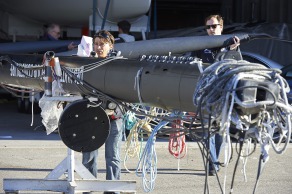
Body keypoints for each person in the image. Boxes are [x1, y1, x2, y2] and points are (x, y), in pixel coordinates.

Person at [185, 14, 240, 176]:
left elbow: (236, 65)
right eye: (208, 27)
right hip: (207, 94)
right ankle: (212, 163)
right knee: (208, 130)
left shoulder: (231, 44)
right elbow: (193, 68)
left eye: (214, 26)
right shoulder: (201, 45)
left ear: (221, 27)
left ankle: (214, 160)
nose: (211, 30)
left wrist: (231, 50)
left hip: (224, 94)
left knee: (221, 131)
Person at [82, 30, 123, 194]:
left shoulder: (119, 65)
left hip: (114, 117)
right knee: (89, 157)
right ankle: (88, 188)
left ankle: (112, 190)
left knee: (113, 157)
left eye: (102, 44)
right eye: (96, 44)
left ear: (110, 46)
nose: (98, 47)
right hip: (92, 118)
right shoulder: (88, 64)